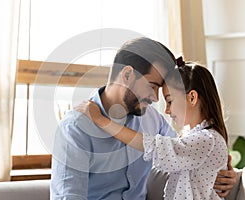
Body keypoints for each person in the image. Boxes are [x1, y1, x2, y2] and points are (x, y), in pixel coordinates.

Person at [50, 37, 236, 200]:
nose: (156, 98)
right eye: (153, 86)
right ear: (128, 74)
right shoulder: (75, 128)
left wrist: (222, 171)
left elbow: (181, 153)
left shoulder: (152, 120)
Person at [77, 61, 229, 199]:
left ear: (192, 98)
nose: (167, 110)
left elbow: (157, 148)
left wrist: (102, 121)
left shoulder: (207, 139)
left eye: (170, 101)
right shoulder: (194, 138)